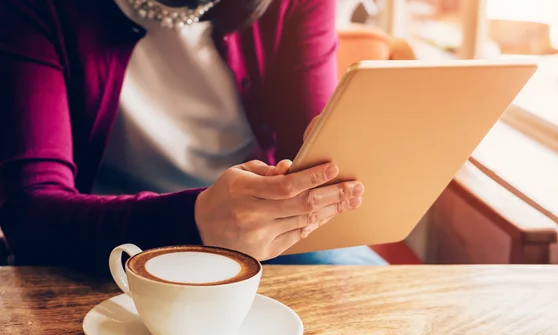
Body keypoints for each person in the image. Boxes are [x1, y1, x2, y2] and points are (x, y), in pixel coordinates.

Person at [0, 0, 386, 274]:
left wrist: (330, 163)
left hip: (265, 232)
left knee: (376, 298)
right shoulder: (34, 8)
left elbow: (309, 164)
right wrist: (197, 220)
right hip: (107, 236)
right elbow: (30, 216)